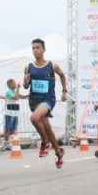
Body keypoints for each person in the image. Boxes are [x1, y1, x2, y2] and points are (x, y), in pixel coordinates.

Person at [23, 38, 67, 168]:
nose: (35, 50)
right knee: (47, 128)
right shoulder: (28, 67)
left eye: (38, 47)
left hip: (48, 99)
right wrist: (26, 81)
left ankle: (44, 142)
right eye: (33, 48)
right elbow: (26, 86)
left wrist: (64, 91)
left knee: (34, 118)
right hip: (34, 101)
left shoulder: (52, 65)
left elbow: (62, 75)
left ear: (43, 49)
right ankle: (58, 152)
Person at [3, 79, 26, 148]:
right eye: (14, 83)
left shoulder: (15, 92)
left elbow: (22, 96)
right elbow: (16, 97)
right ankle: (6, 143)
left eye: (15, 83)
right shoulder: (8, 92)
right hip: (9, 113)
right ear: (9, 85)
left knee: (13, 128)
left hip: (15, 113)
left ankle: (11, 141)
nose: (15, 84)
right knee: (8, 128)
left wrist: (29, 95)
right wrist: (18, 88)